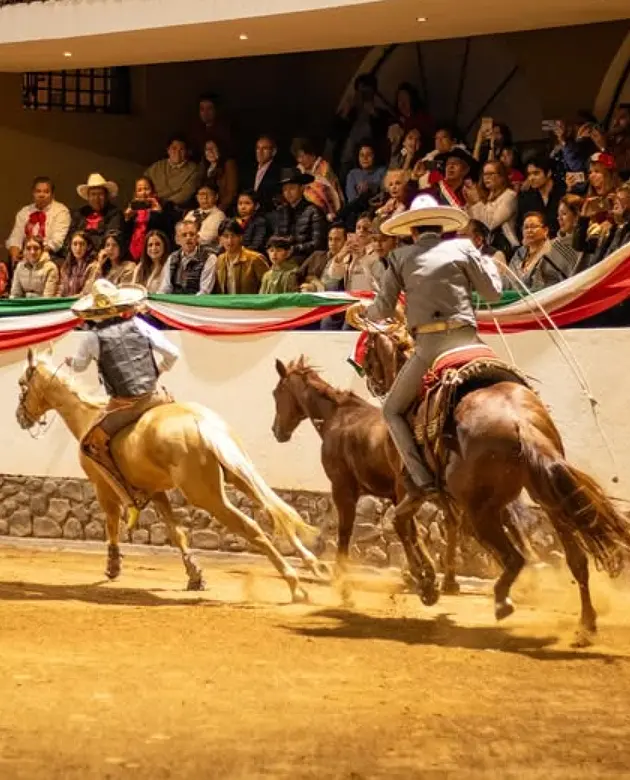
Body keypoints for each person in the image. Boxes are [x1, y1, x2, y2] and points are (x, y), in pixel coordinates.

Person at [345, 194, 502, 512]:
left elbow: (383, 308)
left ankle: (422, 482)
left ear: (412, 231)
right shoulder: (463, 248)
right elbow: (493, 293)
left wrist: (359, 312)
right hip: (471, 341)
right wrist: (486, 263)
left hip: (431, 347)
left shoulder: (401, 257)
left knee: (391, 410)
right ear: (441, 228)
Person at [64, 279, 179, 527]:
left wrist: (71, 362)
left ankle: (130, 499)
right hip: (156, 396)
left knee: (91, 445)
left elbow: (81, 366)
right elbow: (173, 353)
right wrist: (157, 371)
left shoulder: (92, 338)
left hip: (124, 405)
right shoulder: (139, 324)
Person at [6, 176, 70, 265]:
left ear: (52, 194)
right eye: (38, 191)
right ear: (33, 193)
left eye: (46, 191)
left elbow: (56, 241)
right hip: (24, 255)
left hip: (49, 256)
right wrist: (15, 253)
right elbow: (16, 237)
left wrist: (34, 254)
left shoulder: (61, 211)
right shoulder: (24, 212)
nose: (41, 195)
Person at [67, 173, 123, 253]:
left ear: (106, 196)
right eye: (93, 194)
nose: (97, 198)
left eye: (100, 194)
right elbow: (70, 237)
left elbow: (111, 238)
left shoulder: (115, 213)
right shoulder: (79, 213)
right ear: (88, 197)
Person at [158, 221, 217, 295]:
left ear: (197, 238)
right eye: (184, 235)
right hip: (174, 303)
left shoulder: (209, 258)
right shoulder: (172, 258)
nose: (188, 238)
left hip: (196, 303)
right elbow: (165, 288)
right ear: (177, 240)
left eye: (192, 234)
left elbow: (204, 291)